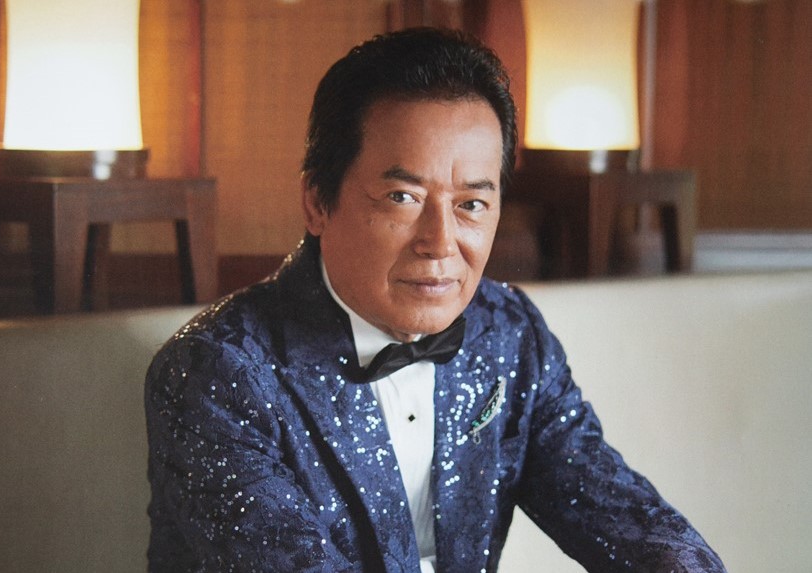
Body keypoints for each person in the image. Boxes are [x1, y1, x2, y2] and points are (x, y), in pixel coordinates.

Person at [145, 27, 725, 572]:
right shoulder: (216, 373)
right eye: (403, 197)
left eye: (471, 204)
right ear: (318, 201)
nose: (441, 243)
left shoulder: (510, 333)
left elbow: (624, 514)